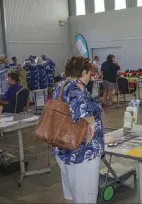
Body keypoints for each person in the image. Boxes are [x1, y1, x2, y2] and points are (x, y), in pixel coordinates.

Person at [52, 56, 103, 204]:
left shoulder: (61, 85)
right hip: (81, 153)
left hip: (65, 150)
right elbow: (80, 108)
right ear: (83, 72)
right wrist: (92, 122)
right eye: (89, 73)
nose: (90, 76)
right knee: (86, 197)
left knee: (71, 195)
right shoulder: (75, 87)